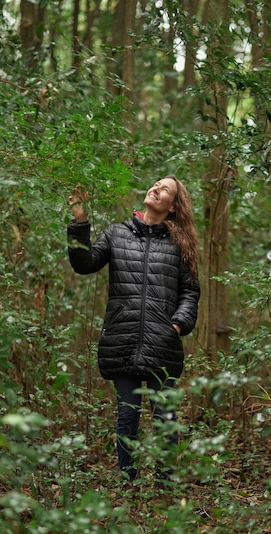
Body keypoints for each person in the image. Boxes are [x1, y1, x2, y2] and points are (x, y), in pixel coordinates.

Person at [67, 176, 200, 484]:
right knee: (128, 415)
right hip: (122, 338)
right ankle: (129, 483)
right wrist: (80, 222)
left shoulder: (179, 244)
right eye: (155, 184)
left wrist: (178, 324)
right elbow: (85, 263)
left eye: (164, 189)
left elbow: (190, 291)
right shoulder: (117, 233)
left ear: (173, 206)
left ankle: (165, 484)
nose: (155, 188)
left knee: (165, 417)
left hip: (161, 342)